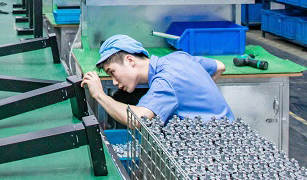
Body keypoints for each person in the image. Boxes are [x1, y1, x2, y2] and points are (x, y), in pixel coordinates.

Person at [81, 34, 234, 126]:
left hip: (210, 147)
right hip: (229, 131)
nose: (114, 81)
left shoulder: (166, 81)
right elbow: (219, 67)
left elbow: (137, 120)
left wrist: (99, 95)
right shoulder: (178, 57)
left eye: (112, 72)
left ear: (130, 60)